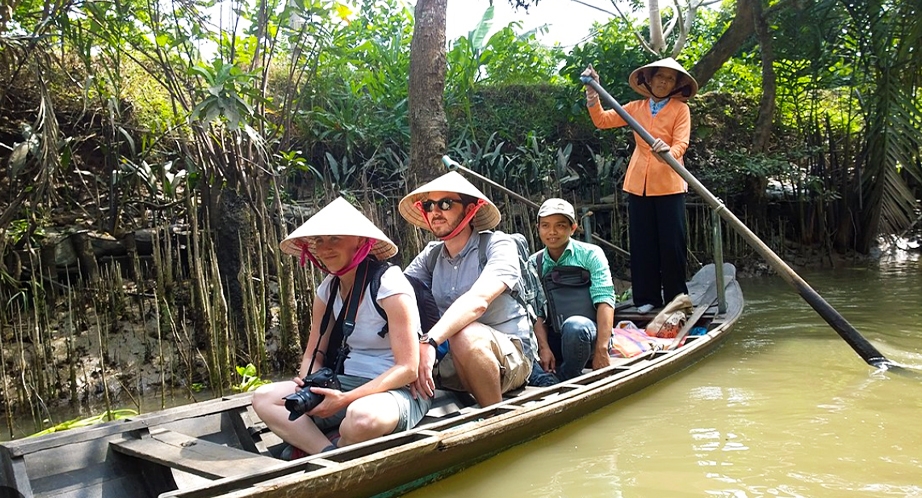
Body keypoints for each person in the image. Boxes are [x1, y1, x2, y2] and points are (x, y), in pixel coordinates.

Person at [252, 197, 430, 457]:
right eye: (320, 241)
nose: (325, 249)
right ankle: (328, 453)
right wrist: (308, 382)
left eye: (335, 238)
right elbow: (314, 352)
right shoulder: (327, 288)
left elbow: (407, 368)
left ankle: (331, 443)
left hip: (396, 391)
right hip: (343, 382)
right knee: (263, 398)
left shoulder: (390, 283)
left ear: (360, 241)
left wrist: (345, 401)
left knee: (361, 419)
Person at [399, 171, 536, 407]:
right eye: (429, 205)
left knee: (465, 333)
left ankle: (495, 420)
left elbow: (478, 301)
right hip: (450, 360)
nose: (435, 212)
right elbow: (395, 292)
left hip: (509, 360)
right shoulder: (431, 256)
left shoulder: (497, 245)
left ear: (470, 209)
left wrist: (429, 342)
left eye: (445, 204)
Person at [582, 58, 698, 314]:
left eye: (670, 79)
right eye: (660, 77)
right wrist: (593, 92)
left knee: (671, 244)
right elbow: (601, 120)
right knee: (642, 242)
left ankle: (677, 297)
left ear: (676, 85)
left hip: (669, 183)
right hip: (638, 185)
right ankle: (647, 298)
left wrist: (669, 151)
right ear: (649, 79)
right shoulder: (636, 107)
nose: (664, 82)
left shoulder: (680, 109)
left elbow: (682, 143)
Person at [530, 198, 616, 381]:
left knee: (575, 327)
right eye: (545, 225)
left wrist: (602, 349)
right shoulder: (534, 263)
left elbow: (605, 300)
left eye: (560, 225)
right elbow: (536, 311)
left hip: (589, 334)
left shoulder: (591, 254)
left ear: (573, 228)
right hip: (555, 338)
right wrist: (543, 348)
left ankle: (567, 376)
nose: (552, 232)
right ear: (538, 228)